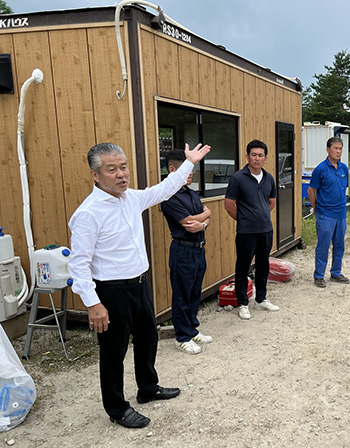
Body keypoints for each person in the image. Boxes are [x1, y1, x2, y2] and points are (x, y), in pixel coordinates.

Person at [69, 141, 210, 428]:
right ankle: (117, 408)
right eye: (112, 169)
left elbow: (163, 189)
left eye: (123, 167)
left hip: (139, 284)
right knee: (113, 351)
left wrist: (189, 163)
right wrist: (93, 304)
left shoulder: (131, 198)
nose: (121, 174)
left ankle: (148, 388)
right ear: (96, 175)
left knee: (148, 339)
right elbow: (78, 263)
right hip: (110, 291)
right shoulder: (88, 213)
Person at [160, 149, 212, 354]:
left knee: (194, 292)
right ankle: (181, 336)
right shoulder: (169, 196)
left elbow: (205, 217)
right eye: (186, 168)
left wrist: (204, 222)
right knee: (182, 294)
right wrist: (204, 215)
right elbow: (187, 221)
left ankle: (192, 329)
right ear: (173, 170)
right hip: (182, 250)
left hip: (199, 248)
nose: (191, 173)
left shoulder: (190, 193)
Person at [224, 139, 279, 320]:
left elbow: (271, 201)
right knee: (243, 267)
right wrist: (245, 219)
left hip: (265, 229)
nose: (257, 159)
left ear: (266, 158)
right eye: (253, 155)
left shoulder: (269, 178)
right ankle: (243, 303)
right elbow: (229, 204)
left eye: (260, 155)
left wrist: (260, 215)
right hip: (246, 232)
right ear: (247, 156)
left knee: (263, 265)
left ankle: (261, 299)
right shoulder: (238, 178)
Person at [308, 137, 350, 288]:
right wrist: (316, 208)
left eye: (340, 149)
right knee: (323, 246)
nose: (338, 151)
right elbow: (311, 190)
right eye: (335, 148)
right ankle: (319, 275)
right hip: (325, 215)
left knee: (339, 245)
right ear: (328, 149)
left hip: (341, 214)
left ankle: (336, 273)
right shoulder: (321, 169)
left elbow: (343, 189)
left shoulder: (344, 168)